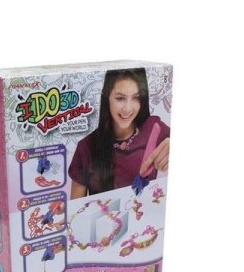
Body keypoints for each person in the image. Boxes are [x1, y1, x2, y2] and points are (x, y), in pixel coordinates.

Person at [68, 68, 170, 199]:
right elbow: (76, 208)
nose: (128, 108)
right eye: (120, 98)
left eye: (136, 98)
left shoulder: (154, 128)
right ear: (107, 98)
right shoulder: (86, 147)